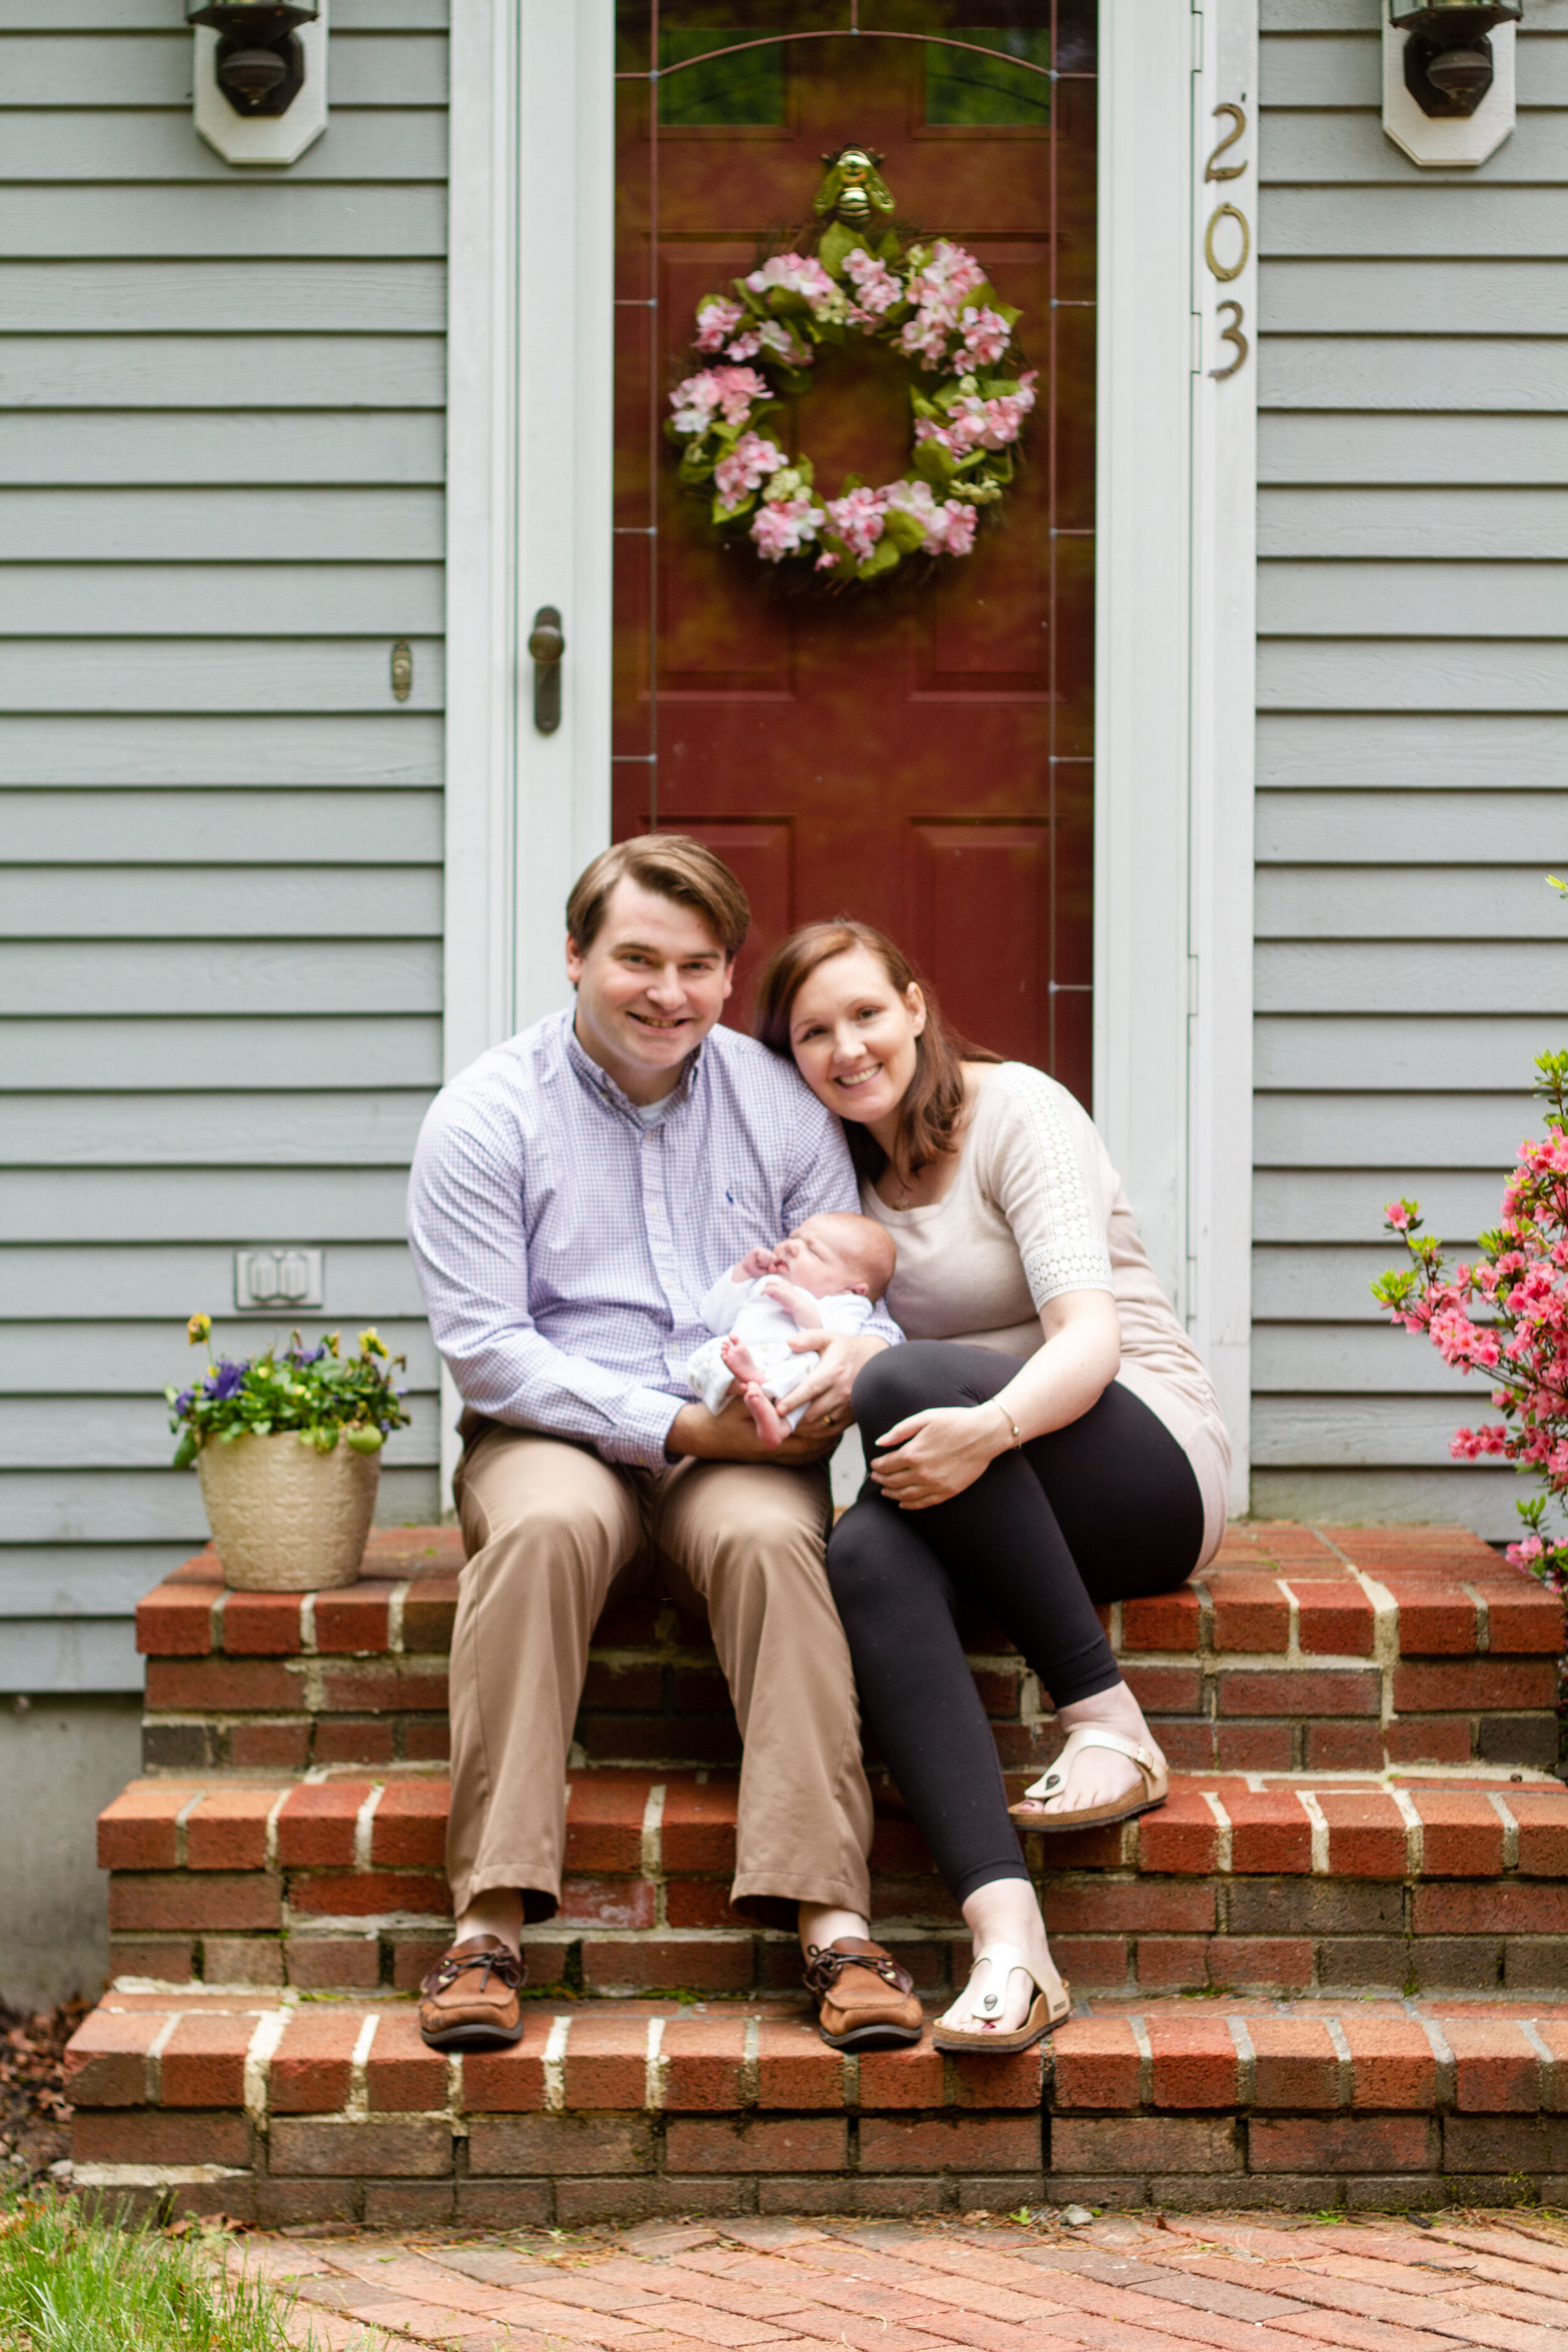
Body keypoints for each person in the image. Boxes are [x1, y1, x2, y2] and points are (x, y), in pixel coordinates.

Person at [405, 838, 923, 2056]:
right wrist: (674, 1424)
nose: (666, 993)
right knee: (542, 1529)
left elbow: (848, 1299)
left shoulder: (778, 1106)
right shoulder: (486, 1115)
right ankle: (486, 1925)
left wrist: (838, 1376)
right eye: (636, 958)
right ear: (577, 955)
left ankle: (833, 1922)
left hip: (739, 1438)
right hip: (555, 1430)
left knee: (766, 1543)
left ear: (725, 975)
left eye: (697, 967)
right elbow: (488, 1349)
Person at [755, 921, 1231, 2056]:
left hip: (1145, 1455)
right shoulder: (835, 1176)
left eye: (866, 1013)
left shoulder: (1022, 1111)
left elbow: (1090, 1338)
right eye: (813, 1033)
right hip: (992, 1491)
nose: (847, 1048)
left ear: (917, 1005)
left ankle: (1107, 1721)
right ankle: (1011, 1944)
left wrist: (987, 1424)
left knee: (906, 1374)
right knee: (863, 1553)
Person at [689, 1214, 897, 1448]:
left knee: (808, 1369)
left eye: (813, 1251)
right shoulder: (766, 1281)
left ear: (853, 1289)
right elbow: (715, 1321)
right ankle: (751, 1383)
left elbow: (834, 1340)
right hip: (742, 1356)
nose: (791, 1247)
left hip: (790, 1364)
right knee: (709, 1354)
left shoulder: (846, 1303)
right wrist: (743, 1273)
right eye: (793, 1237)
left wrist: (798, 1304)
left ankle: (776, 1418)